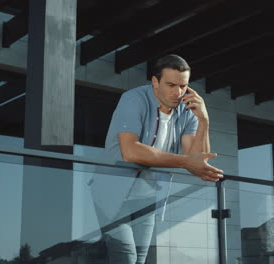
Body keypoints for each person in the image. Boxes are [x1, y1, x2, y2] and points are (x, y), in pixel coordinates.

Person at [91, 54, 223, 264]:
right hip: (112, 191)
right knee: (125, 257)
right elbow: (130, 151)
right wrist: (184, 161)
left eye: (183, 86)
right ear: (155, 81)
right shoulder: (133, 99)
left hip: (147, 197)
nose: (178, 93)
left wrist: (204, 120)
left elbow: (197, 160)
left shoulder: (187, 111)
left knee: (140, 259)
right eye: (171, 85)